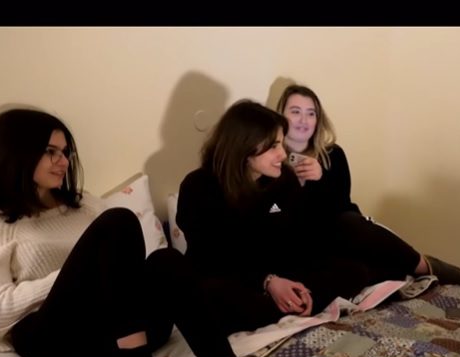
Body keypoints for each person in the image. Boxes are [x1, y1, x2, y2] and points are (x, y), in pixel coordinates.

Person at [0, 108, 300, 357]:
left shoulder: (84, 205)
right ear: (19, 155)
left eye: (65, 152)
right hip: (52, 334)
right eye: (50, 152)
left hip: (112, 328)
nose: (63, 161)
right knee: (118, 220)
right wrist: (79, 271)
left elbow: (123, 266)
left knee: (167, 260)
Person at [177, 100, 417, 333]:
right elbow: (211, 257)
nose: (282, 154)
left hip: (282, 271)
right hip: (233, 278)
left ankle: (296, 302)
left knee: (354, 271)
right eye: (273, 146)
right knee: (213, 300)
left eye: (281, 144)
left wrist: (294, 284)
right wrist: (268, 281)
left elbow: (301, 237)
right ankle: (289, 305)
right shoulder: (198, 186)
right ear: (245, 147)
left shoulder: (282, 180)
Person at [275, 84, 460, 286]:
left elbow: (340, 207)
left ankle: (425, 267)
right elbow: (280, 218)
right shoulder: (272, 162)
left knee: (350, 223)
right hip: (308, 246)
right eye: (295, 112)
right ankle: (400, 276)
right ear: (281, 116)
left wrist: (320, 179)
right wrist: (294, 183)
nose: (304, 120)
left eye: (311, 114)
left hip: (343, 232)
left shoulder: (333, 155)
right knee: (358, 273)